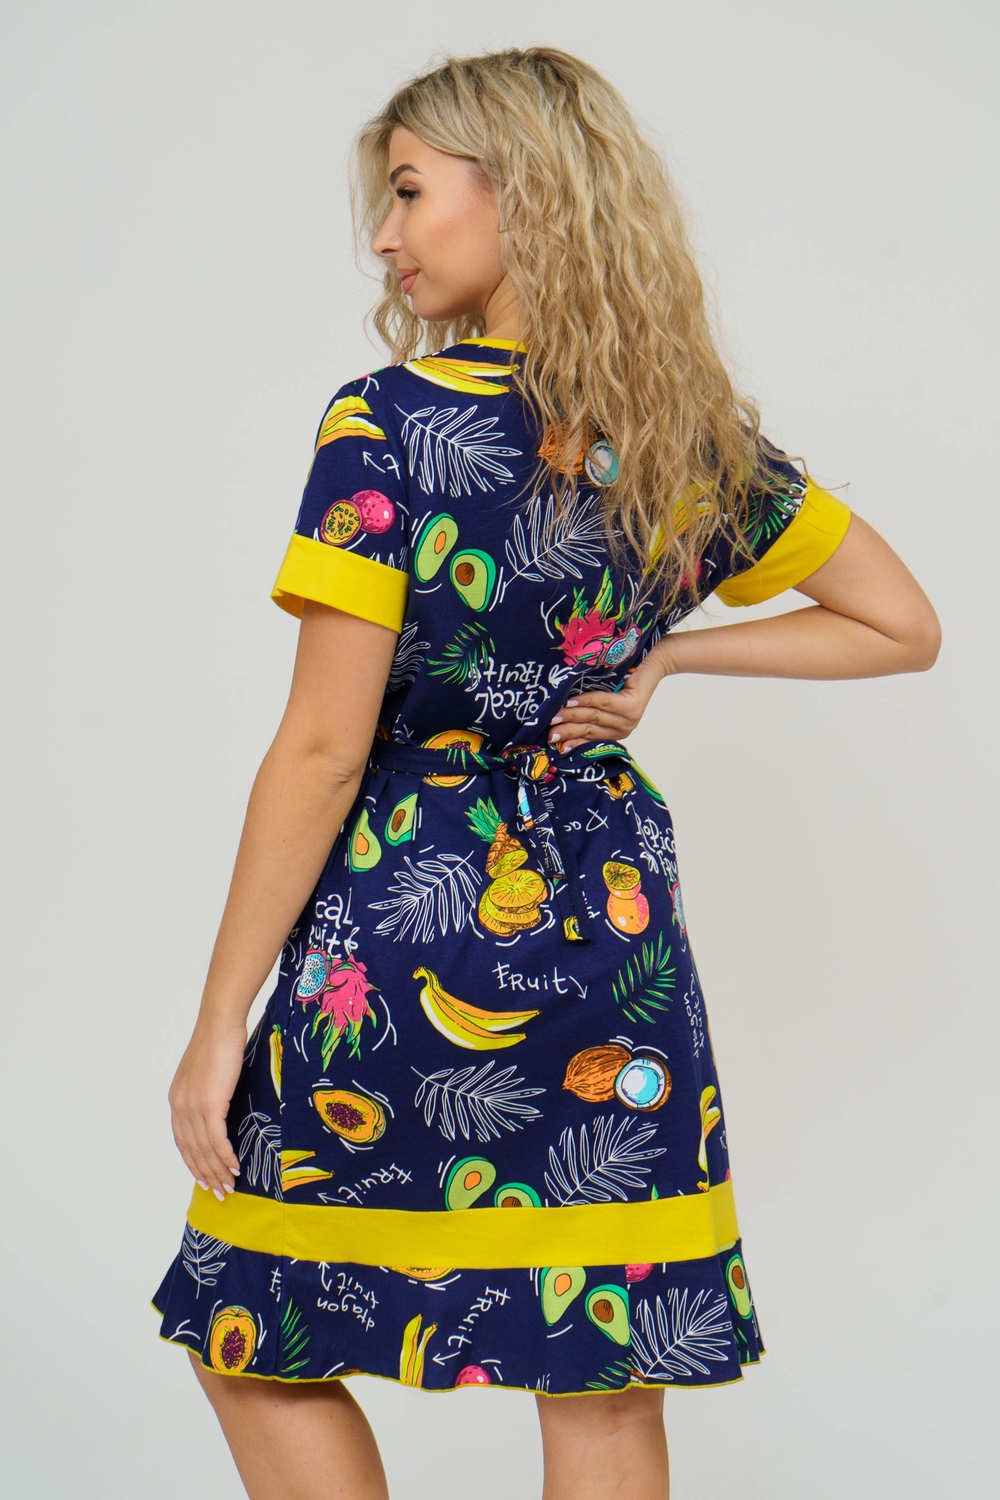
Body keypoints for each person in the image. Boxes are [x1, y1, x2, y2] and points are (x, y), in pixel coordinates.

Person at [154, 46, 940, 1500]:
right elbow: (904, 624)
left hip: (402, 927)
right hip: (607, 928)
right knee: (601, 1375)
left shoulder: (387, 424)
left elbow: (325, 749)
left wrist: (219, 1023)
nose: (384, 236)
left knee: (252, 1329)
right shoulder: (693, 439)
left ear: (521, 191)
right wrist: (670, 657)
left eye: (408, 192)